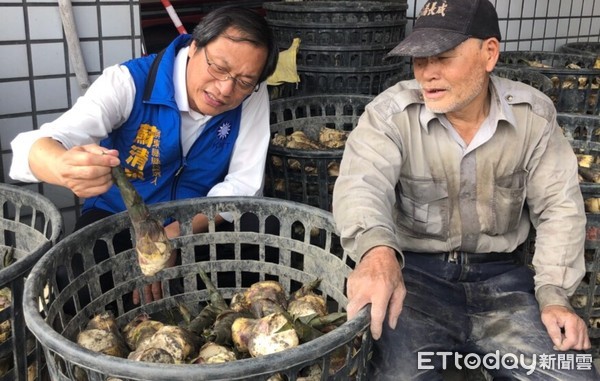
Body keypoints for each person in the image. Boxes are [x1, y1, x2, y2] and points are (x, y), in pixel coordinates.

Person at [332, 0, 599, 380]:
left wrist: (554, 294)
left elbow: (559, 207)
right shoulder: (390, 114)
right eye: (419, 60)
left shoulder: (532, 116)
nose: (428, 74)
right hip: (415, 281)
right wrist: (376, 251)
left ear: (489, 53)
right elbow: (362, 184)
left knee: (573, 373)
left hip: (505, 283)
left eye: (442, 57)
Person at [9, 6, 278, 306]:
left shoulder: (252, 94)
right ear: (194, 46)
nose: (225, 88)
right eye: (218, 67)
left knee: (252, 283)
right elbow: (31, 147)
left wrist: (173, 238)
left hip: (197, 222)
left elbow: (244, 184)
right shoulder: (129, 81)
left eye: (243, 81)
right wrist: (61, 165)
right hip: (117, 221)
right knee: (75, 288)